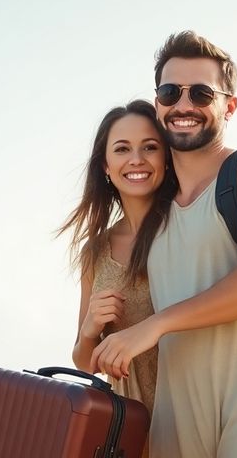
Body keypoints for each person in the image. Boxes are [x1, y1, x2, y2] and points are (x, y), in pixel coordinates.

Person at [89, 32, 237, 457]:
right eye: (170, 93)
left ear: (229, 106)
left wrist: (155, 325)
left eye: (201, 93)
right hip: (176, 423)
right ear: (158, 104)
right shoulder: (156, 212)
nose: (183, 105)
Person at [60, 100, 178, 449]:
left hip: (192, 416)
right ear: (106, 166)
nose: (136, 159)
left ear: (166, 158)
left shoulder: (188, 230)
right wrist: (89, 330)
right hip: (131, 429)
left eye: (150, 147)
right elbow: (85, 363)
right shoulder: (95, 250)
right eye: (122, 149)